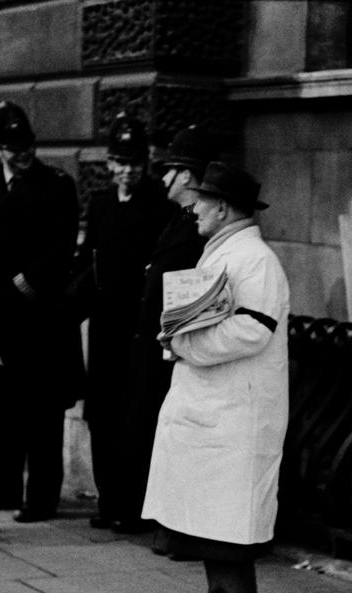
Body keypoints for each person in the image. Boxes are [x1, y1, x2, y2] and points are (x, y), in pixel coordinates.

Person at [142, 162, 289, 593]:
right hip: (217, 405)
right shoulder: (229, 250)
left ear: (223, 208)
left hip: (235, 409)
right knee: (212, 511)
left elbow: (253, 328)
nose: (195, 208)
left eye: (202, 201)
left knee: (227, 516)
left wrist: (184, 345)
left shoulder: (254, 259)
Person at [0, 101, 82, 522]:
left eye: (27, 146)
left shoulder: (56, 184)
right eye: (13, 148)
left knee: (42, 412)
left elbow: (62, 245)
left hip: (40, 315)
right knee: (3, 406)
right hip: (0, 317)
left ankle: (41, 497)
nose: (23, 154)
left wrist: (26, 280)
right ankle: (3, 486)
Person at [68, 112, 175, 531]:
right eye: (119, 163)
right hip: (106, 326)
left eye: (133, 163)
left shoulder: (159, 207)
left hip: (139, 329)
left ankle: (132, 507)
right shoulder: (99, 204)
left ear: (143, 164)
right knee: (102, 415)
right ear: (109, 164)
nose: (126, 171)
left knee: (135, 416)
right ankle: (108, 501)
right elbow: (89, 260)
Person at [116, 125, 216, 548]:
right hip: (154, 347)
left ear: (190, 177)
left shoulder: (199, 229)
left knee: (172, 439)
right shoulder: (179, 220)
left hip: (173, 353)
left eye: (172, 170)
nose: (164, 178)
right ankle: (162, 521)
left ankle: (176, 528)